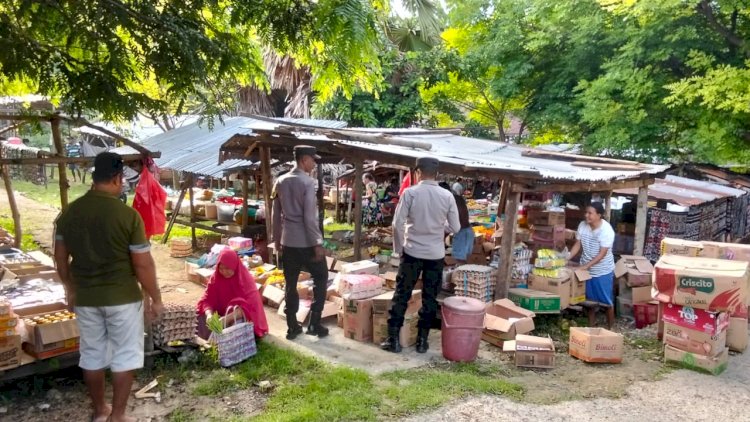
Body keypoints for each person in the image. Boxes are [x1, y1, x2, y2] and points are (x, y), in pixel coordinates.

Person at [54, 152, 163, 422]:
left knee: (92, 354)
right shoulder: (128, 216)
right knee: (125, 355)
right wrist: (155, 297)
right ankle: (117, 416)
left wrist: (70, 287)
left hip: (87, 297)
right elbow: (143, 265)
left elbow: (59, 257)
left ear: (94, 178)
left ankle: (100, 409)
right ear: (116, 179)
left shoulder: (69, 213)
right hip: (122, 298)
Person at [382, 157, 461, 354]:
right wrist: (440, 227)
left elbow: (397, 224)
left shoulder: (410, 193)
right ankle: (422, 341)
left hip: (412, 252)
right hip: (435, 254)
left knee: (402, 294)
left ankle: (394, 340)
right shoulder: (447, 196)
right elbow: (456, 227)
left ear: (417, 172)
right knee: (430, 298)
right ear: (437, 174)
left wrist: (398, 249)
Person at [272, 145, 329, 340]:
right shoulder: (307, 183)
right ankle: (314, 322)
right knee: (321, 278)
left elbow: (275, 215)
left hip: (288, 241)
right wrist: (317, 243)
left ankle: (292, 326)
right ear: (304, 160)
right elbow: (309, 218)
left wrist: (277, 240)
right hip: (306, 242)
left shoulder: (280, 181)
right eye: (313, 160)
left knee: (290, 283)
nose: (314, 164)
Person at [196, 249, 269, 339]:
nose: (224, 272)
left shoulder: (245, 280)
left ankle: (228, 345)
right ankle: (207, 343)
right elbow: (207, 299)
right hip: (221, 314)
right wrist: (209, 315)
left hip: (239, 316)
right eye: (221, 268)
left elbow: (251, 306)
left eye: (227, 268)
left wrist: (227, 318)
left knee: (236, 325)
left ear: (234, 266)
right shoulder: (216, 277)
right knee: (200, 317)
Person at [568, 202, 616, 329]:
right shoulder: (583, 226)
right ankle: (591, 327)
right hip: (586, 270)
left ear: (599, 215)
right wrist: (567, 257)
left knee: (606, 302)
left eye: (590, 213)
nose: (587, 216)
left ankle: (611, 328)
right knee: (590, 302)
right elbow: (578, 244)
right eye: (586, 212)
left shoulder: (606, 230)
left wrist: (585, 266)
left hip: (602, 271)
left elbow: (602, 254)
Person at [440, 182, 473, 264]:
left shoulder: (451, 200)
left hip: (462, 234)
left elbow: (455, 223)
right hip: (466, 232)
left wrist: (442, 237)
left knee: (460, 263)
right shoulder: (457, 198)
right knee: (462, 263)